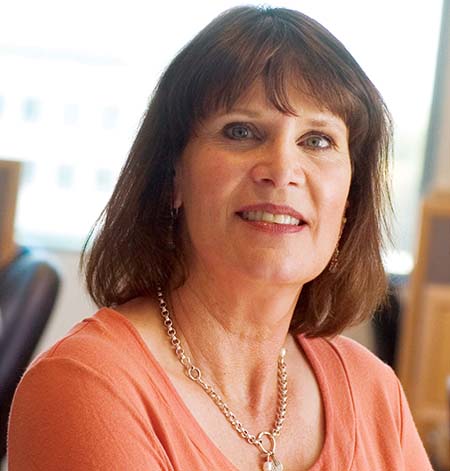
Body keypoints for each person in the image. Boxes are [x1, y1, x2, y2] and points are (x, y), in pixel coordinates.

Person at [8, 6, 432, 471]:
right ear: (173, 178)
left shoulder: (374, 391)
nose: (282, 170)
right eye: (241, 132)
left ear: (349, 198)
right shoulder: (86, 387)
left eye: (317, 140)